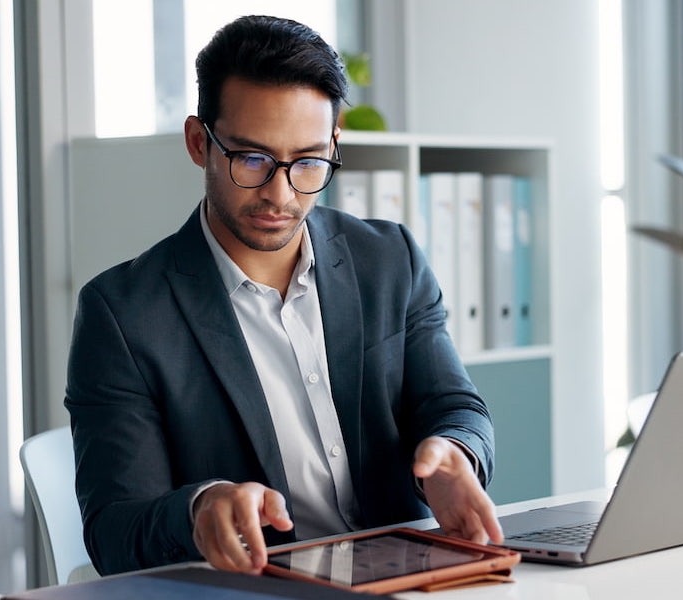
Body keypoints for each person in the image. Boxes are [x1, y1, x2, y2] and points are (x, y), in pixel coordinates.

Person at [64, 14, 502, 577]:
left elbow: (455, 406)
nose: (281, 193)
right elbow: (114, 530)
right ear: (200, 143)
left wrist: (453, 454)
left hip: (408, 579)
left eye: (309, 162)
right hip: (261, 588)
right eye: (252, 159)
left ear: (334, 145)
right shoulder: (124, 314)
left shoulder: (389, 260)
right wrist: (198, 510)